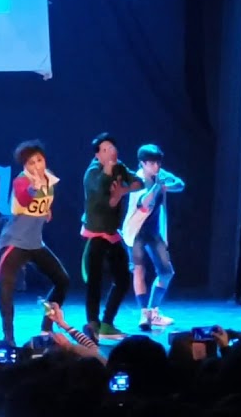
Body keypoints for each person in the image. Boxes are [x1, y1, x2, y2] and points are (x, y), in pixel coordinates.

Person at [0, 140, 72, 346]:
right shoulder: (22, 181)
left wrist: (46, 210)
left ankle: (47, 327)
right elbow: (24, 198)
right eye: (31, 163)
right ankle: (8, 337)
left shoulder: (49, 178)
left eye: (39, 160)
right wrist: (32, 190)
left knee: (62, 280)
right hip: (15, 241)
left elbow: (42, 202)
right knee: (7, 287)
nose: (36, 166)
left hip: (35, 243)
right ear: (25, 166)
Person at [80, 133, 142, 342]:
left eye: (112, 147)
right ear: (97, 155)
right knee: (94, 281)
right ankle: (93, 323)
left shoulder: (120, 167)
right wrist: (112, 189)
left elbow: (140, 182)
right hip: (95, 233)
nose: (111, 152)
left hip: (112, 234)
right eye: (105, 149)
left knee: (123, 280)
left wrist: (123, 191)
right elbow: (100, 191)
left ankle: (107, 323)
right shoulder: (92, 173)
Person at [122, 144, 185, 330]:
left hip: (154, 231)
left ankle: (153, 311)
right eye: (151, 163)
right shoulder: (137, 180)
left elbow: (180, 184)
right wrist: (158, 187)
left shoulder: (160, 174)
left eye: (158, 163)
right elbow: (144, 204)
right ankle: (144, 314)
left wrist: (165, 185)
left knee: (166, 271)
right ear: (142, 163)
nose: (156, 166)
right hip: (136, 231)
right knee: (139, 270)